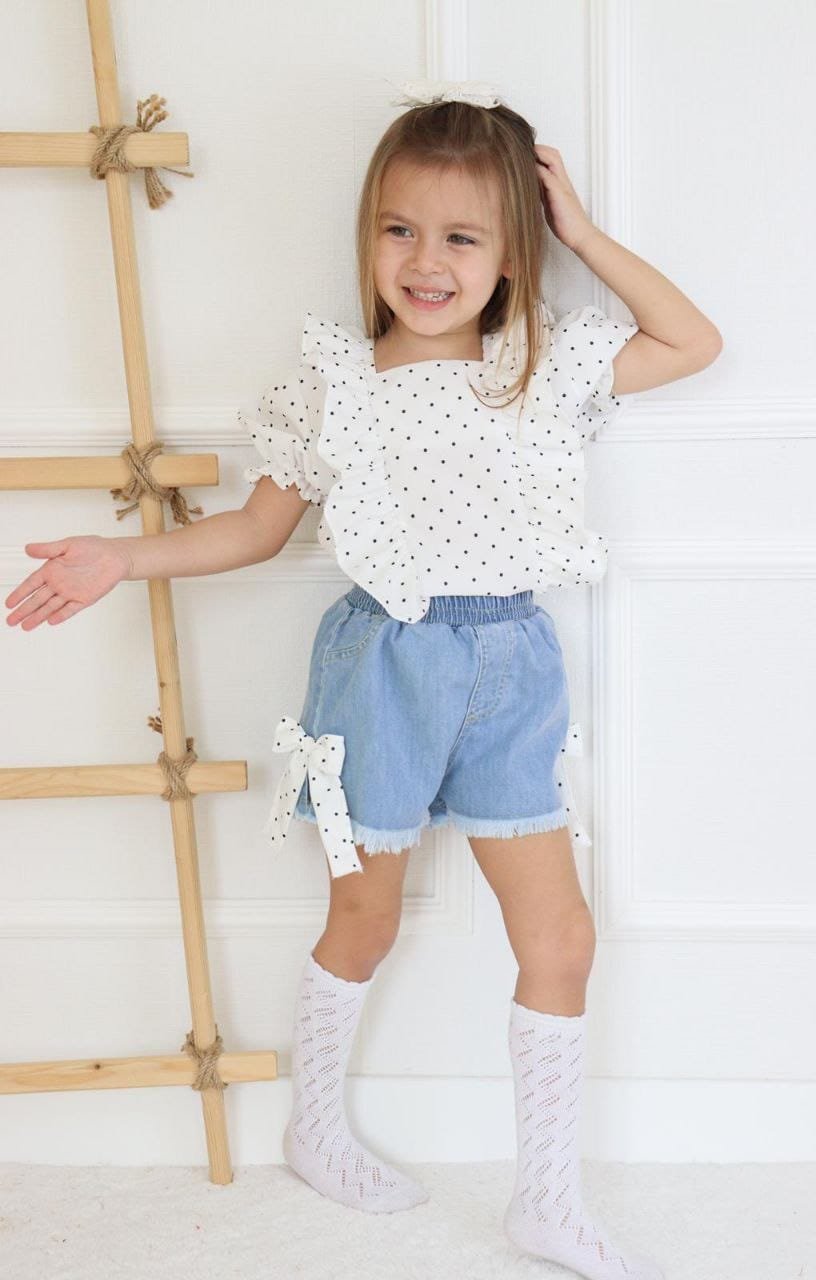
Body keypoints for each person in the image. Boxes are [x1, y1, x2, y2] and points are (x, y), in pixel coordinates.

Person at [5, 77, 722, 1280]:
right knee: (363, 916)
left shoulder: (542, 364)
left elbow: (691, 341)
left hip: (513, 670)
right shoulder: (331, 387)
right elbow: (253, 529)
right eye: (400, 229)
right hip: (381, 667)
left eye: (463, 237)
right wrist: (124, 556)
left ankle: (547, 1195)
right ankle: (316, 1126)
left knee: (560, 933)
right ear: (367, 233)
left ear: (513, 252)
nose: (425, 262)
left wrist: (582, 234)